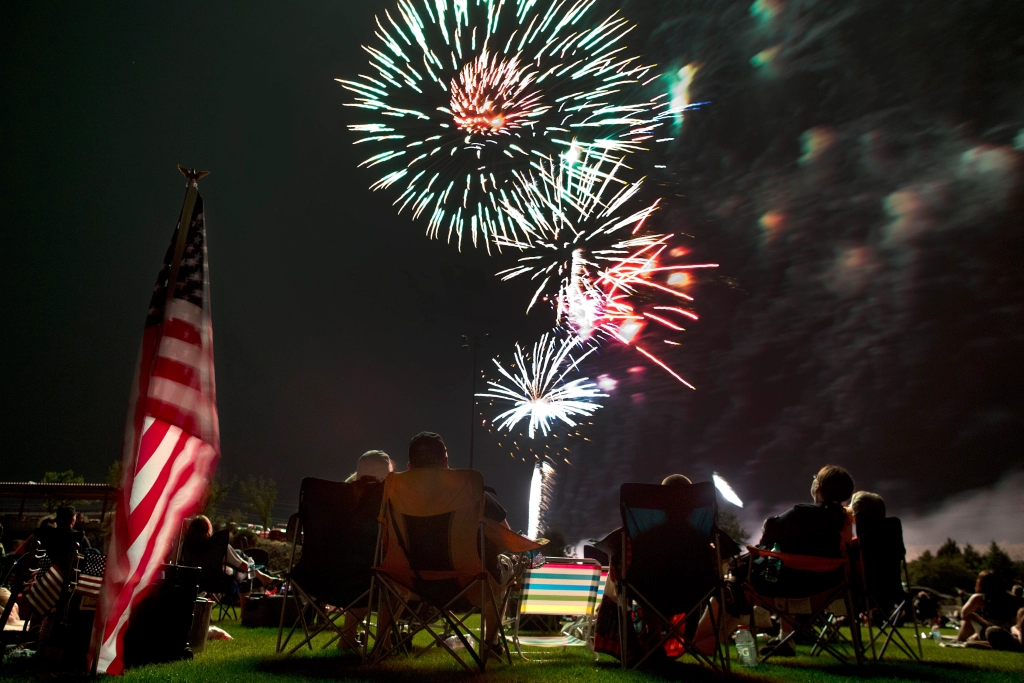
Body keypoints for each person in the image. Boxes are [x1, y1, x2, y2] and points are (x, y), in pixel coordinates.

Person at [957, 570, 1024, 650]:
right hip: (1010, 634)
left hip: (991, 632)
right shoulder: (1011, 598)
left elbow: (963, 614)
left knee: (969, 617)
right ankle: (973, 639)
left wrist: (981, 621)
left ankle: (960, 639)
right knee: (974, 637)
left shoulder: (979, 598)